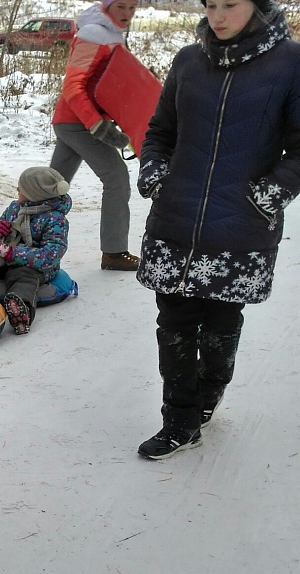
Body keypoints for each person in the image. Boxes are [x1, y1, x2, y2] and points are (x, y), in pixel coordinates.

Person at [135, 0, 300, 459]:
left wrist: (269, 193)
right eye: (211, 5)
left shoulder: (291, 62)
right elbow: (160, 131)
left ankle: (210, 390)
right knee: (174, 324)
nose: (218, 15)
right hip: (176, 220)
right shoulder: (188, 60)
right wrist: (154, 172)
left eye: (230, 5)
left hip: (241, 225)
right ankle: (179, 420)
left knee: (221, 324)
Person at [49, 0, 140, 272]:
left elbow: (110, 82)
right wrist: (97, 125)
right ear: (107, 6)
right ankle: (114, 252)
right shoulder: (93, 35)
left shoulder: (111, 34)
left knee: (49, 189)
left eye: (132, 8)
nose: (126, 14)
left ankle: (13, 239)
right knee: (116, 177)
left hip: (74, 121)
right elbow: (72, 87)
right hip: (79, 123)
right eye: (121, 6)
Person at [0, 167, 72, 335]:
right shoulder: (15, 208)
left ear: (34, 194)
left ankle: (21, 309)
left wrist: (13, 254)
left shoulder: (55, 220)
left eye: (21, 188)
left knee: (23, 278)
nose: (17, 190)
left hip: (35, 267)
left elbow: (50, 256)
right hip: (2, 258)